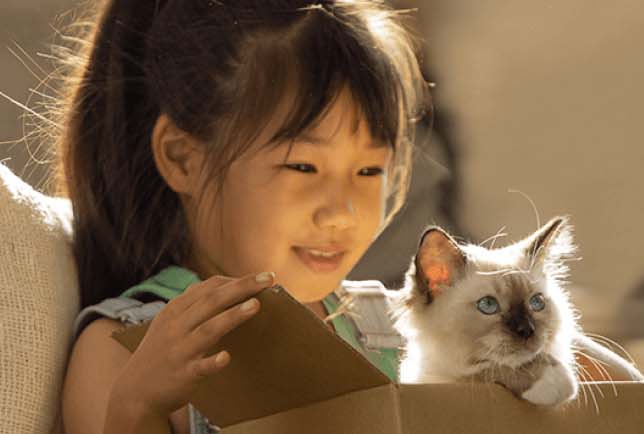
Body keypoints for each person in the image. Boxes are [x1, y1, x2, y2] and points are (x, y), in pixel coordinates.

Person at [52, 1, 427, 433]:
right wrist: (138, 409)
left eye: (369, 171)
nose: (342, 214)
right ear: (183, 159)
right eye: (303, 167)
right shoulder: (127, 351)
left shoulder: (394, 330)